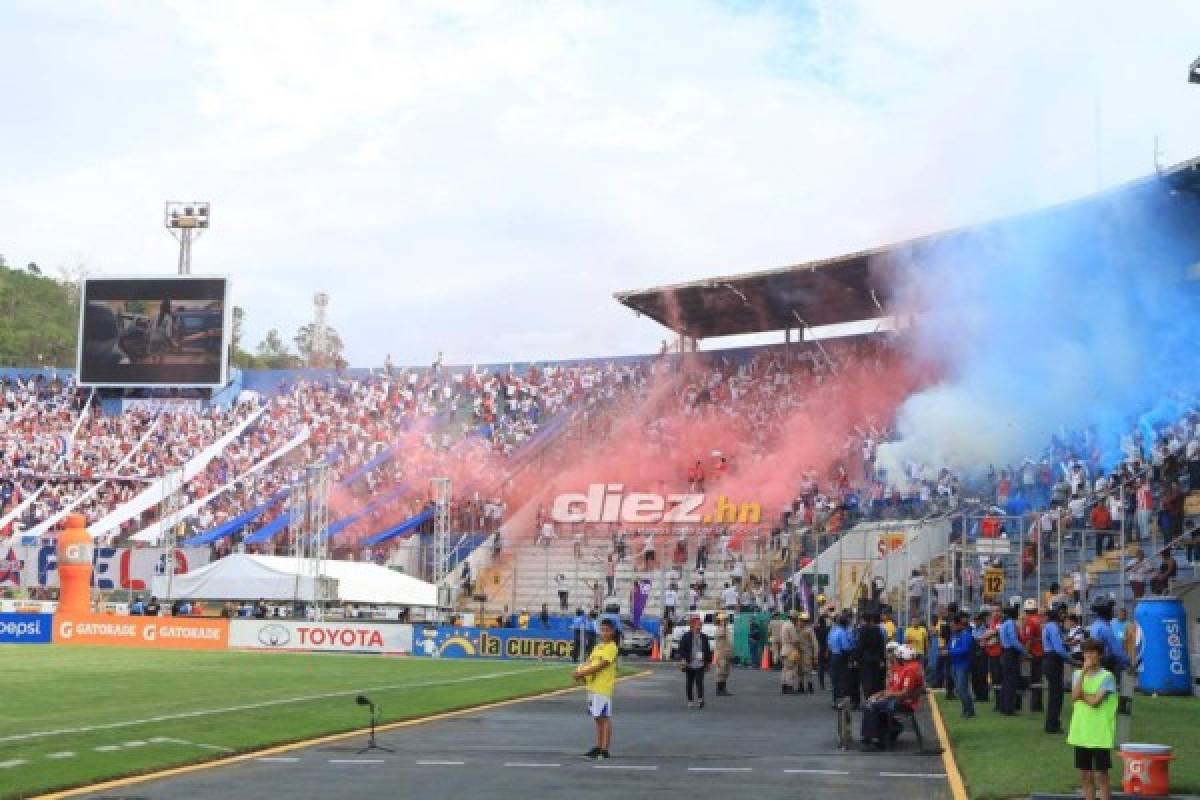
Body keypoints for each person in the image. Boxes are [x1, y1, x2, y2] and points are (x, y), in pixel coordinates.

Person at [1067, 639, 1119, 800]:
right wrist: (1083, 672)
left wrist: (1081, 694)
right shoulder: (1077, 674)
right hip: (1081, 732)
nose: (1088, 656)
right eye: (1086, 653)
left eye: (1092, 652)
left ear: (1099, 655)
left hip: (1100, 732)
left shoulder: (1107, 677)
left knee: (1101, 775)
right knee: (1085, 774)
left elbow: (1095, 702)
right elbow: (1074, 696)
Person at [860, 645, 925, 751]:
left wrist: (888, 695)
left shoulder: (910, 670)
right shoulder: (909, 666)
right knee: (873, 701)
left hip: (904, 703)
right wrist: (880, 694)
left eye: (896, 656)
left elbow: (905, 693)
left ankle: (872, 739)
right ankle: (886, 734)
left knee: (870, 706)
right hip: (900, 700)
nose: (894, 657)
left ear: (902, 657)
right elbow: (893, 689)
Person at [572, 618, 618, 760]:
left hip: (602, 687)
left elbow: (601, 665)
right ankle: (599, 746)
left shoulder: (612, 647)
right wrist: (579, 671)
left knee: (604, 718)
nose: (604, 633)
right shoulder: (598, 647)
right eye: (602, 630)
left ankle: (604, 749)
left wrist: (582, 673)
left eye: (607, 630)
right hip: (593, 686)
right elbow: (589, 662)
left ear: (612, 632)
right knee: (597, 717)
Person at [1042, 604, 1071, 735]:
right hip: (1053, 661)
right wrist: (1072, 660)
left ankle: (1051, 724)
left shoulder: (1049, 626)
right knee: (1056, 695)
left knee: (1054, 694)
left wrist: (1066, 643)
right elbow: (1058, 649)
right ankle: (1052, 725)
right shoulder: (1053, 627)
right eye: (1061, 613)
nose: (1064, 615)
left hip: (1050, 660)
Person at [678, 615, 712, 709]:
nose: (699, 627)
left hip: (700, 663)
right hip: (689, 663)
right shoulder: (686, 636)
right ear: (692, 625)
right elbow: (681, 649)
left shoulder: (704, 637)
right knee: (689, 682)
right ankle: (690, 700)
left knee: (699, 681)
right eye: (697, 624)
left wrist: (708, 662)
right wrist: (683, 658)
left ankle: (700, 699)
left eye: (700, 625)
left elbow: (707, 650)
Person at [998, 601, 1026, 715]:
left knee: (1005, 681)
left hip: (1005, 653)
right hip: (1011, 653)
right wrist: (1024, 651)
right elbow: (1014, 640)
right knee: (1011, 682)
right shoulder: (1010, 623)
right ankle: (1009, 708)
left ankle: (1003, 706)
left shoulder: (1003, 623)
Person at [947, 612, 976, 718]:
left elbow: (965, 649)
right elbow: (950, 646)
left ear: (959, 624)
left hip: (962, 665)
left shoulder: (966, 635)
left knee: (962, 688)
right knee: (959, 689)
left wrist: (950, 652)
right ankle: (965, 709)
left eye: (953, 626)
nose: (952, 628)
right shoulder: (954, 635)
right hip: (954, 664)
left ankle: (970, 710)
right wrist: (949, 650)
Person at [796, 612, 819, 695]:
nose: (800, 622)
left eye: (801, 620)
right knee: (799, 670)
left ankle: (810, 687)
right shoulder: (797, 629)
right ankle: (801, 686)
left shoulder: (809, 630)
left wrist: (815, 654)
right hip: (798, 652)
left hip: (807, 652)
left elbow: (815, 643)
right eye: (799, 620)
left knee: (808, 670)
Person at [713, 613, 734, 696]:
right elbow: (721, 634)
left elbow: (729, 641)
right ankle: (719, 690)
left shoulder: (726, 629)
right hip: (721, 654)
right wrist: (722, 626)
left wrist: (731, 653)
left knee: (726, 672)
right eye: (723, 620)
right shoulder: (719, 629)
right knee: (720, 672)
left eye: (725, 620)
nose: (725, 622)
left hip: (727, 653)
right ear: (719, 621)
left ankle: (724, 689)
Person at [779, 611, 800, 694]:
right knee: (790, 669)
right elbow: (795, 639)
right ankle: (789, 686)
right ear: (794, 618)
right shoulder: (791, 626)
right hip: (790, 650)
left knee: (785, 669)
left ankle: (783, 686)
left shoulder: (784, 624)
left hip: (784, 649)